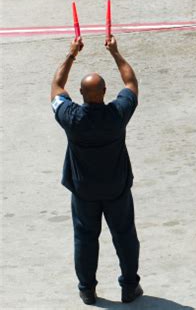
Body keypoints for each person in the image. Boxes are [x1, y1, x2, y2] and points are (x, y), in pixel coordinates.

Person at [51, 35, 143, 305]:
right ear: (104, 93)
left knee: (85, 238)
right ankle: (129, 286)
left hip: (84, 191)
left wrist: (72, 53)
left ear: (80, 95)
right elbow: (131, 83)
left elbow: (56, 85)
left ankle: (87, 289)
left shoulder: (72, 117)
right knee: (125, 235)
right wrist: (115, 52)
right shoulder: (117, 114)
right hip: (116, 188)